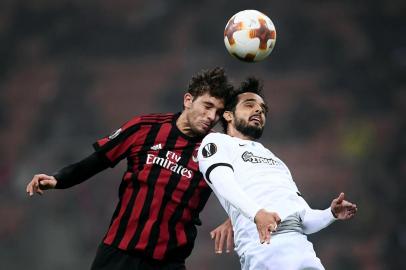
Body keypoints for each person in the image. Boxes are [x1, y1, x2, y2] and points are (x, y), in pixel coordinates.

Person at [26, 67, 234, 270]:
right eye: (207, 106)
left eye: (217, 112)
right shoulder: (145, 127)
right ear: (188, 100)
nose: (211, 116)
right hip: (119, 251)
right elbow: (97, 160)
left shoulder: (216, 149)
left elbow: (248, 188)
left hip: (169, 261)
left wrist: (232, 220)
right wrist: (59, 179)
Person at [198, 77, 358, 270]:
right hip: (265, 250)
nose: (258, 110)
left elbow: (303, 219)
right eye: (250, 105)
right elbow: (222, 182)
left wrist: (329, 214)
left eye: (263, 109)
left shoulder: (275, 160)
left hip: (303, 251)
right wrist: (257, 214)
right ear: (228, 116)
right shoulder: (217, 142)